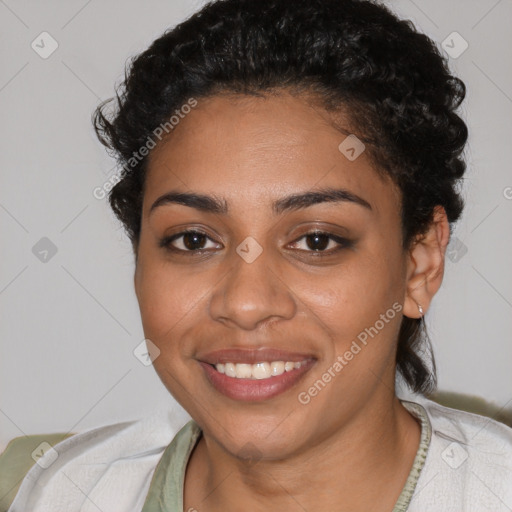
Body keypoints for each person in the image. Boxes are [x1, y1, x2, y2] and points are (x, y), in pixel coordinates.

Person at [2, 0, 512, 510]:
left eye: (317, 240)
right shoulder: (64, 493)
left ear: (420, 264)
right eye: (193, 240)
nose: (245, 304)